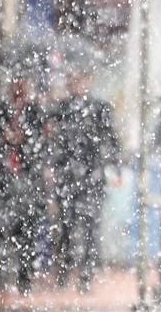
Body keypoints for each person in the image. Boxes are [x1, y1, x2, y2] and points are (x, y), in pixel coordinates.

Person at [50, 69, 121, 291]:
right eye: (74, 79)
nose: (78, 83)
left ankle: (86, 275)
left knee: (90, 227)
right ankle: (64, 270)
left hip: (92, 175)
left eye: (82, 79)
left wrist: (113, 166)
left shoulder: (100, 109)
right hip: (68, 176)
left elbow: (112, 140)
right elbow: (54, 143)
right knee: (66, 226)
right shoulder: (60, 110)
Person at [0, 76, 48, 294]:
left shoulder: (36, 114)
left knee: (26, 231)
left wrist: (25, 141)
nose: (20, 89)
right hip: (0, 181)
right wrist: (2, 140)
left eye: (24, 84)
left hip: (27, 181)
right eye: (17, 84)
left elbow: (43, 145)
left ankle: (24, 279)